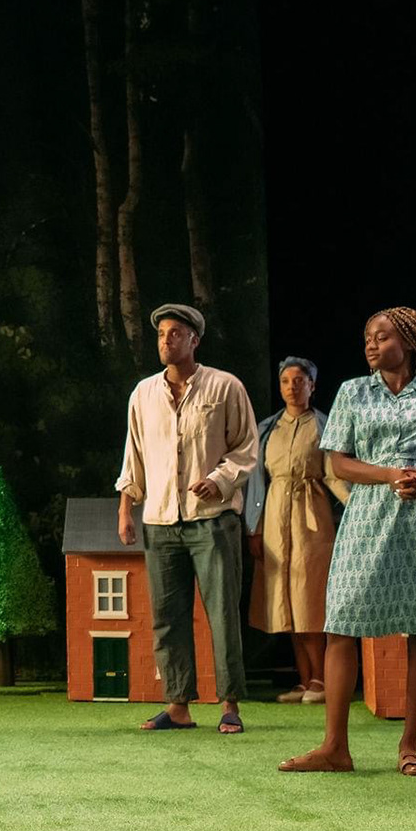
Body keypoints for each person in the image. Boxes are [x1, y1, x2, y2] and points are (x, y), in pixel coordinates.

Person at [279, 308, 416, 777]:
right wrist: (389, 475)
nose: (371, 344)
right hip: (368, 514)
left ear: (408, 342)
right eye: (367, 336)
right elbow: (338, 463)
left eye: (381, 337)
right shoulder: (352, 392)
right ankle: (334, 748)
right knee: (342, 623)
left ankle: (410, 746)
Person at [116, 303, 258, 734]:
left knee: (222, 613)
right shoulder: (143, 393)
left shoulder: (225, 387)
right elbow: (134, 455)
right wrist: (125, 509)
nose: (166, 341)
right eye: (161, 334)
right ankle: (178, 706)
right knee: (167, 616)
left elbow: (246, 447)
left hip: (212, 519)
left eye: (175, 333)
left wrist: (218, 480)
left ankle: (230, 703)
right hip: (160, 519)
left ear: (194, 340)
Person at [243, 357, 349, 704]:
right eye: (286, 381)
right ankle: (304, 681)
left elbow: (334, 473)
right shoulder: (267, 429)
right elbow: (256, 481)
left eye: (299, 381)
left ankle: (322, 679)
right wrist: (254, 527)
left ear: (312, 386)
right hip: (275, 515)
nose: (292, 387)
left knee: (309, 598)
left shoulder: (323, 426)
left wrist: (355, 505)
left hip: (310, 515)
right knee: (284, 600)